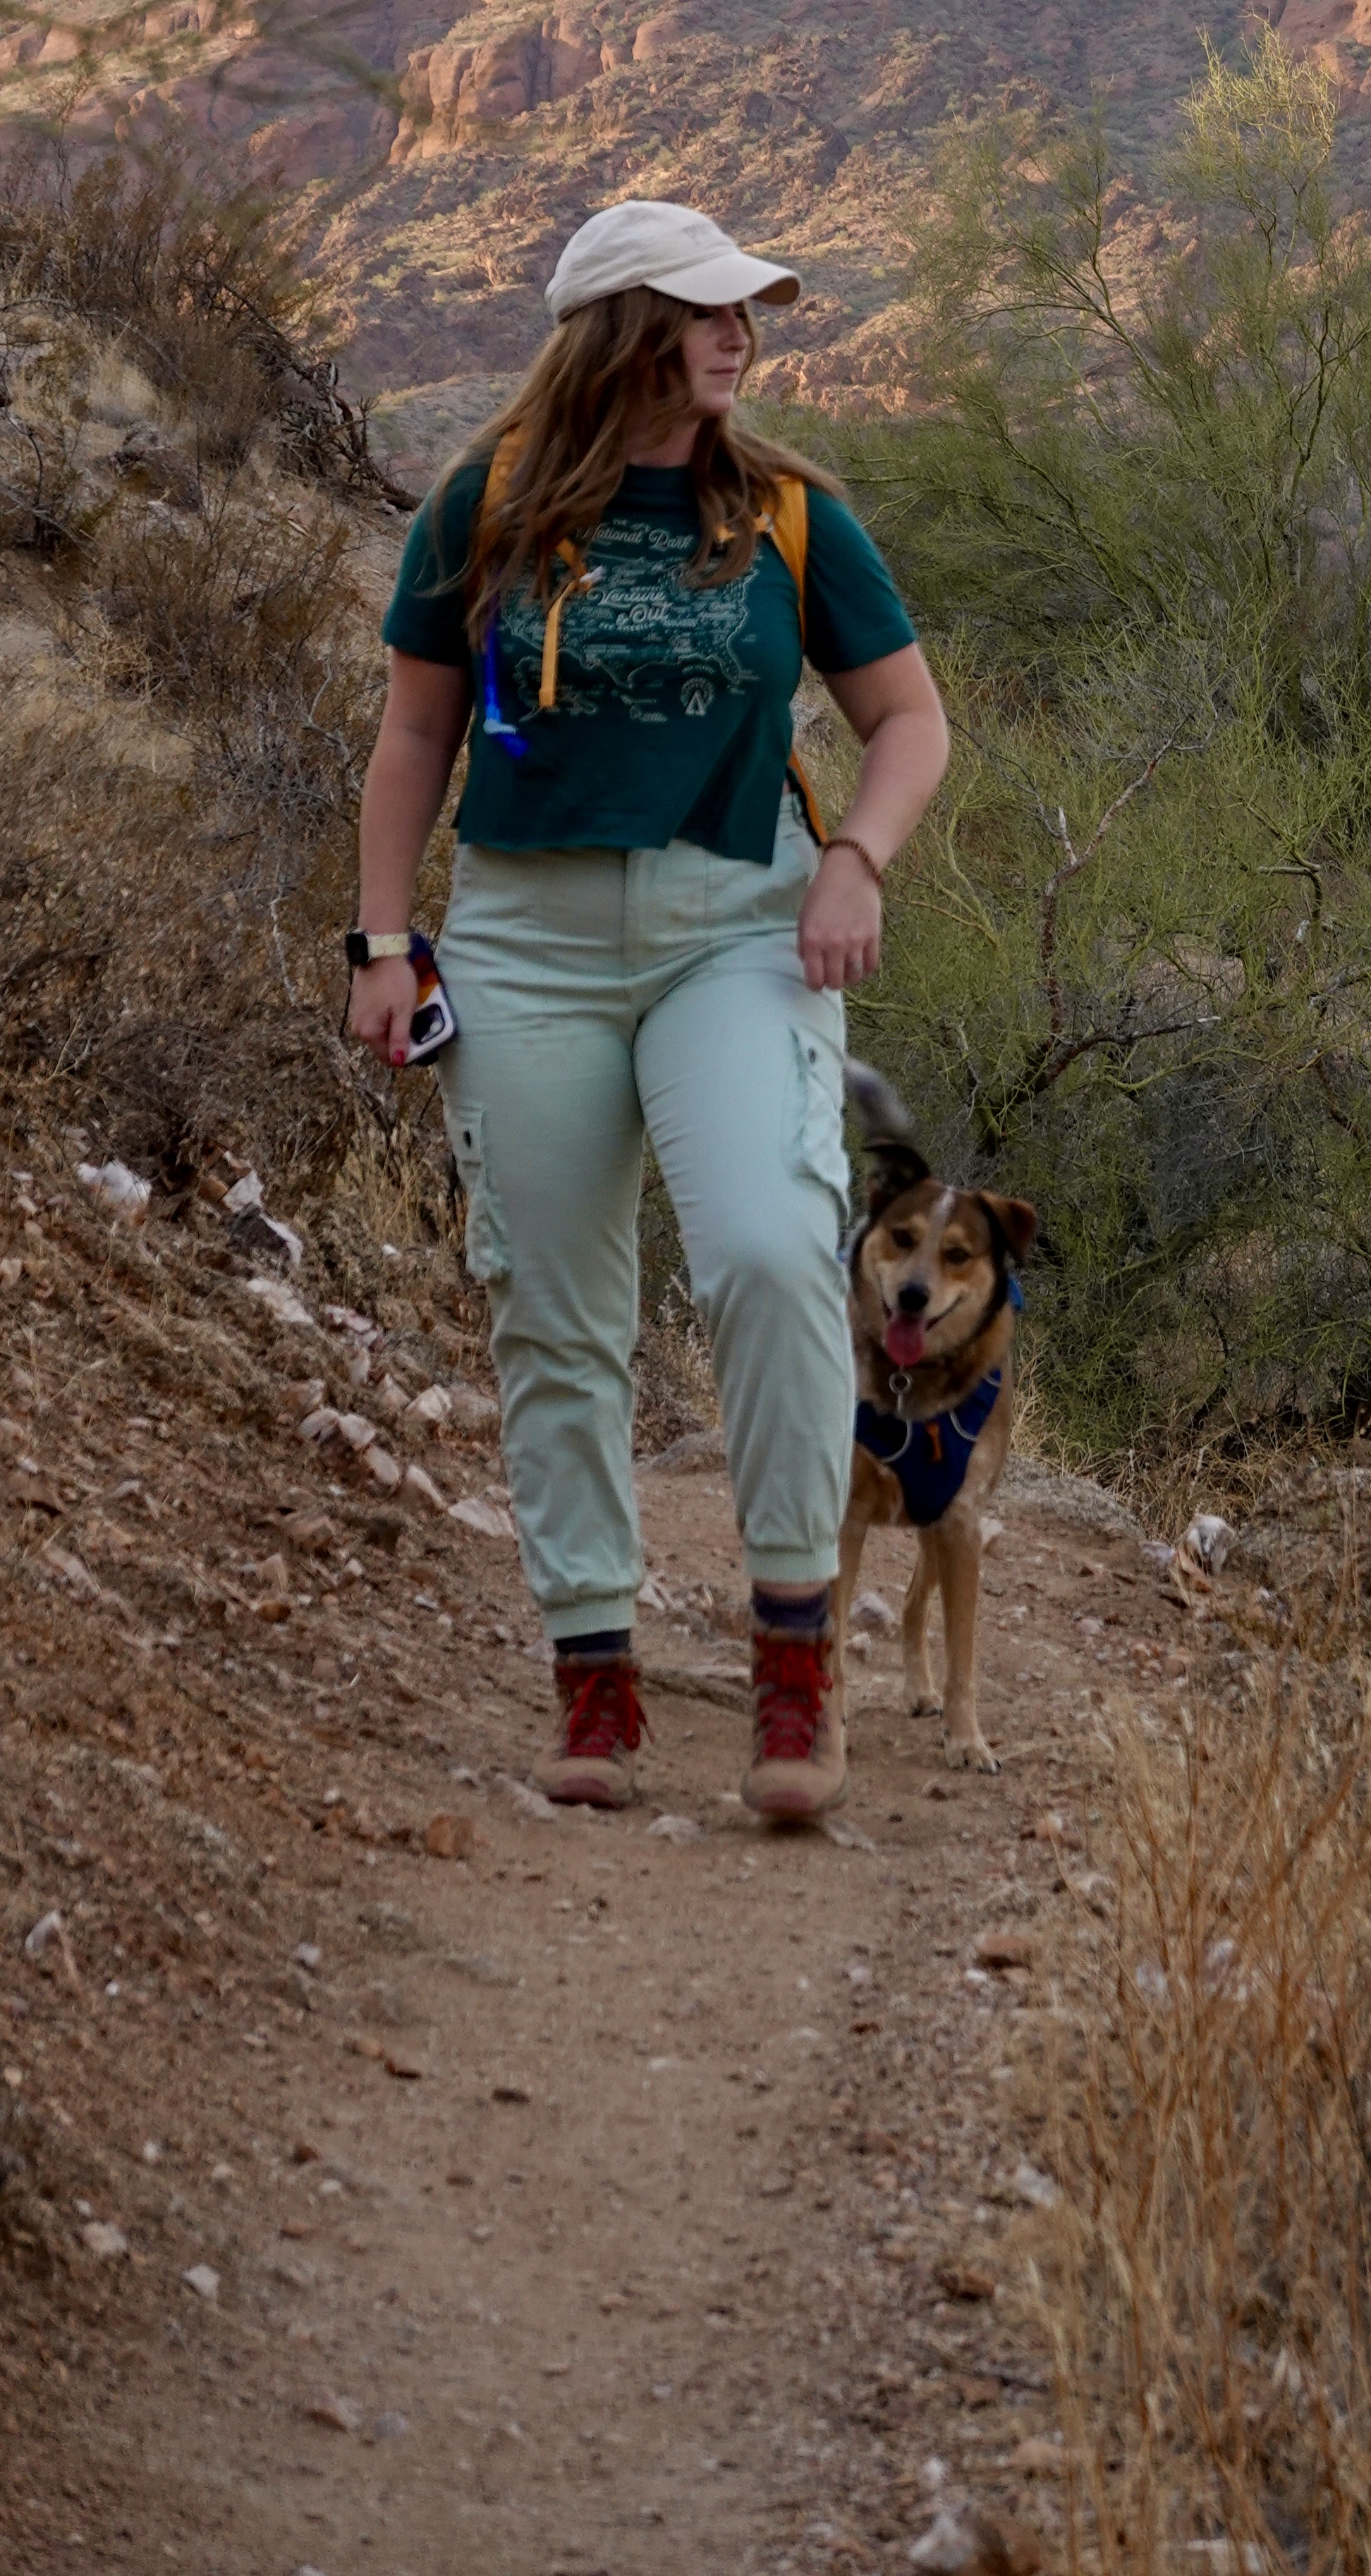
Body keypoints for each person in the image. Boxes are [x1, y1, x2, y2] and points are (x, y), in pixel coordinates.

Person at [344, 198, 950, 1822]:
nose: (740, 331)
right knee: (553, 1304)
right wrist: (381, 942)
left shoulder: (795, 514)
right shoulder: (485, 507)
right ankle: (594, 1676)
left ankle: (795, 1663)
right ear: (625, 328)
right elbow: (414, 738)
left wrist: (860, 866)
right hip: (526, 932)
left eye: (748, 307)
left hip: (736, 926)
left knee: (764, 1249)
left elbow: (907, 720)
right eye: (708, 309)